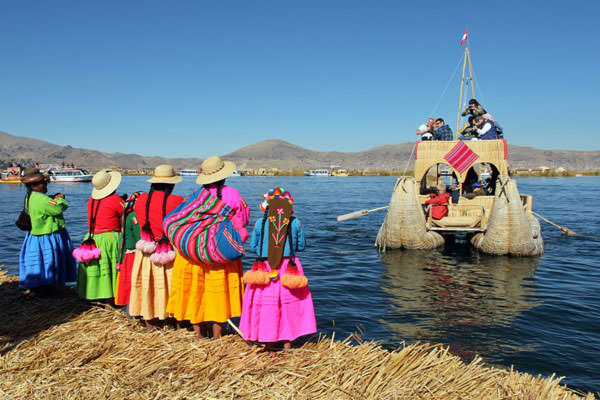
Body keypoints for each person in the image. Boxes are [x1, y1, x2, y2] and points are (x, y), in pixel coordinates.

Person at [166, 156, 250, 339]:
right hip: (218, 254)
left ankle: (199, 334)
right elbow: (242, 221)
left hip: (192, 253)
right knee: (217, 294)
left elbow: (181, 219)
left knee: (196, 293)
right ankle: (217, 335)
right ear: (223, 175)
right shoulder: (233, 194)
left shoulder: (195, 196)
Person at [239, 187, 316, 352]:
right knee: (288, 305)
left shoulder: (261, 222)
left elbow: (253, 247)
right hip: (288, 268)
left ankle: (269, 343)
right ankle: (287, 345)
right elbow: (301, 246)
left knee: (267, 305)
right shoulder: (295, 222)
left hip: (265, 269)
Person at [128, 165, 183, 328]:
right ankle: (173, 319)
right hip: (168, 251)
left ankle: (149, 320)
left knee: (148, 285)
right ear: (171, 184)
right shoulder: (177, 201)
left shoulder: (141, 200)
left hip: (146, 249)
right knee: (170, 285)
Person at [18, 168, 77, 296]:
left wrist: (51, 198)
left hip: (34, 235)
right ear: (35, 185)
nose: (45, 186)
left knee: (38, 261)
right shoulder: (41, 199)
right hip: (46, 235)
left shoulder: (30, 197)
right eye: (43, 184)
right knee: (49, 260)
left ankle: (37, 286)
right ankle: (47, 286)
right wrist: (60, 199)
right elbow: (57, 209)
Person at [76, 169, 124, 300]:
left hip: (91, 237)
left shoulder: (92, 200)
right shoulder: (116, 199)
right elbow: (124, 216)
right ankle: (109, 297)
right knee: (110, 266)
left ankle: (92, 294)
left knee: (95, 267)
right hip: (109, 238)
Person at [114, 192, 141, 307]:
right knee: (133, 280)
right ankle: (132, 308)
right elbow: (138, 236)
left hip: (126, 253)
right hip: (133, 253)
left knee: (127, 280)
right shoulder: (134, 216)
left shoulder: (127, 214)